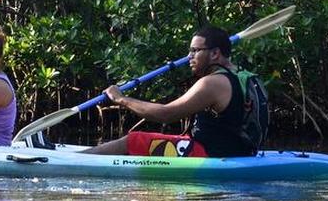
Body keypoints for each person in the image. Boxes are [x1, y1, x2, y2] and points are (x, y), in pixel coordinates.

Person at [81, 26, 258, 158]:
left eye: (195, 51)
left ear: (215, 54)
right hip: (242, 151)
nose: (189, 57)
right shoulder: (246, 76)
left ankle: (79, 160)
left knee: (133, 141)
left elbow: (166, 114)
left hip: (210, 154)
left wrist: (120, 99)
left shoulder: (212, 83)